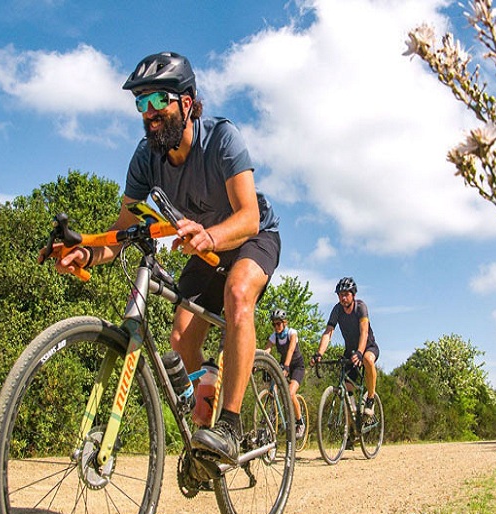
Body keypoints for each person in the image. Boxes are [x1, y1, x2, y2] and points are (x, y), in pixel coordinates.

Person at [53, 51, 280, 465]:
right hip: (203, 245)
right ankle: (205, 423)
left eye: (159, 100)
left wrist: (211, 236)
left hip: (250, 237)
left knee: (238, 294)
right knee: (180, 335)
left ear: (187, 103)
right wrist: (85, 251)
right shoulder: (146, 158)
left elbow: (247, 216)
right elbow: (121, 233)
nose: (149, 113)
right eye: (141, 103)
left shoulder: (222, 139)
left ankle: (229, 427)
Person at [310, 277, 379, 416]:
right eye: (340, 295)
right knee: (347, 387)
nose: (343, 298)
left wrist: (360, 352)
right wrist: (319, 353)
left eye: (346, 294)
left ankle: (370, 398)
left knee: (367, 359)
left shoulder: (360, 307)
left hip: (368, 347)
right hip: (351, 351)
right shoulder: (337, 310)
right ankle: (353, 421)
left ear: (353, 295)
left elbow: (364, 332)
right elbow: (328, 332)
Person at [263, 309, 307, 439]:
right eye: (274, 324)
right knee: (275, 389)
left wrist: (287, 366)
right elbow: (267, 350)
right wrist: (258, 362)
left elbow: (291, 349)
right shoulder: (274, 336)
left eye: (278, 324)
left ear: (284, 323)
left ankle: (300, 422)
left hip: (297, 366)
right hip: (284, 365)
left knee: (290, 392)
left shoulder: (292, 333)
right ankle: (276, 418)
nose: (276, 327)